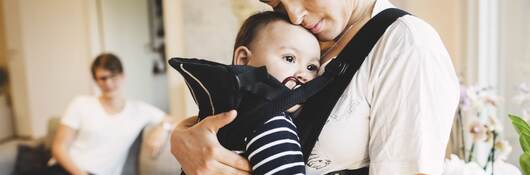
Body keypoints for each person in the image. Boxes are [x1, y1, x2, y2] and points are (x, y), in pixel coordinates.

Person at [170, 0, 460, 174]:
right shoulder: (304, 38)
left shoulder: (406, 45)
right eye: (277, 5)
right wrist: (184, 138)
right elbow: (250, 109)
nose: (294, 15)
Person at [173, 11, 320, 174]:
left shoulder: (218, 109)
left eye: (311, 67)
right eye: (289, 58)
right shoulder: (273, 122)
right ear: (243, 59)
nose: (304, 75)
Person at [51, 53, 178, 175]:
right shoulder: (80, 103)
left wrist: (163, 129)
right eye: (103, 78)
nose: (108, 83)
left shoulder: (139, 110)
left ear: (123, 76)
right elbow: (59, 148)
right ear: (96, 80)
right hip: (63, 169)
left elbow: (173, 120)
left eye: (113, 76)